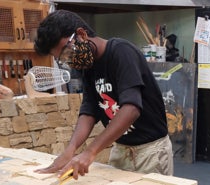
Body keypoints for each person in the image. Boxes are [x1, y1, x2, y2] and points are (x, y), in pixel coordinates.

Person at [33, 10, 173, 180]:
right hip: (121, 148)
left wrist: (90, 152)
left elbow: (131, 108)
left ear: (81, 34)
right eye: (62, 58)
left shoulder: (121, 52)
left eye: (66, 53)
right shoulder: (87, 66)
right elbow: (90, 110)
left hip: (150, 151)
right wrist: (71, 149)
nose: (69, 60)